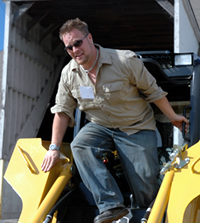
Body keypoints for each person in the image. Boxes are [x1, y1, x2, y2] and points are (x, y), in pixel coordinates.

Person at [41, 18, 188, 223]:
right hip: (99, 125)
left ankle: (147, 212)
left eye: (78, 43)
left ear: (89, 38)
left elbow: (153, 92)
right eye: (69, 47)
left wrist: (172, 117)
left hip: (135, 126)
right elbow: (62, 111)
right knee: (80, 145)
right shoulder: (69, 73)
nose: (75, 50)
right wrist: (54, 147)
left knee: (144, 179)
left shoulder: (125, 61)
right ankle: (112, 207)